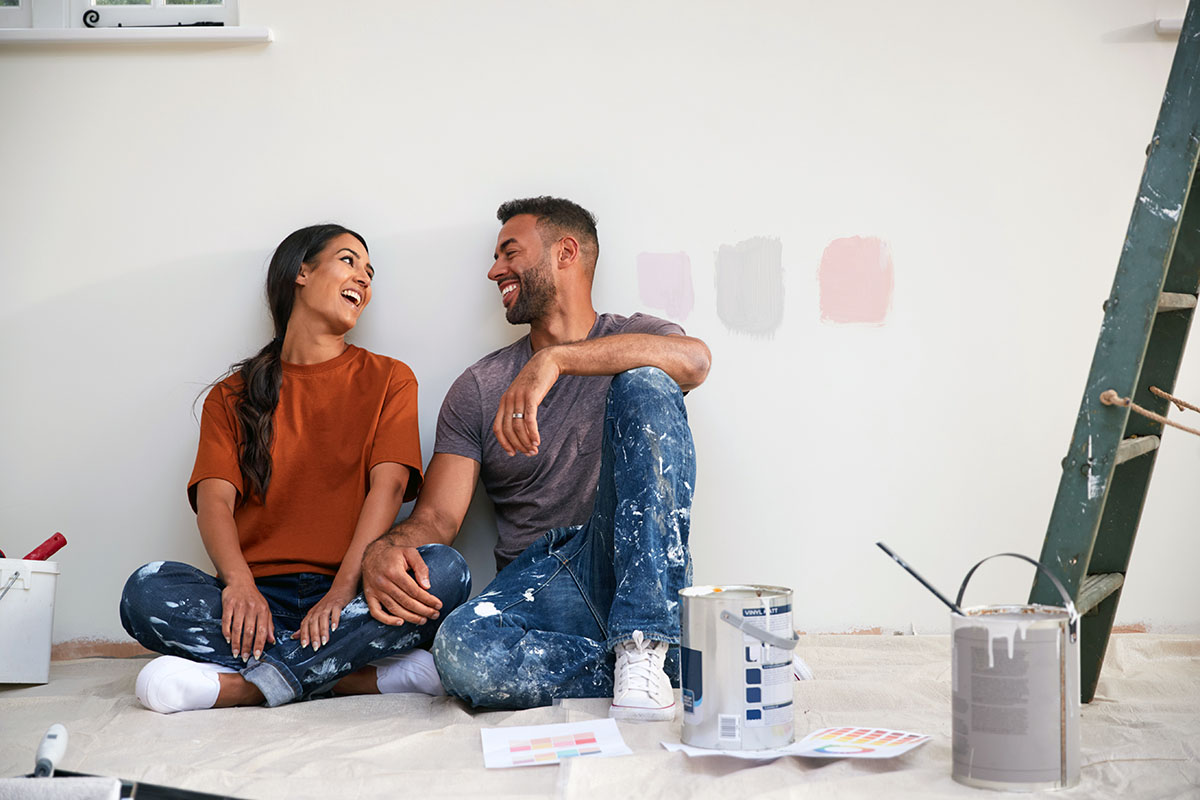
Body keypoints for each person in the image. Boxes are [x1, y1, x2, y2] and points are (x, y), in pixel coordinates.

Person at [361, 197, 710, 720]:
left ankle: (643, 642)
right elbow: (438, 517)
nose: (494, 269)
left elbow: (695, 361)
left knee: (647, 381)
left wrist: (556, 360)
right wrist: (381, 550)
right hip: (541, 583)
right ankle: (669, 665)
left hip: (625, 561)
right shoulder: (478, 388)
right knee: (461, 654)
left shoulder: (638, 336)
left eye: (510, 252)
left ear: (566, 252)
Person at [119, 224, 471, 713]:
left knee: (446, 572)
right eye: (349, 261)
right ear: (301, 272)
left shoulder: (391, 378)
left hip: (353, 596)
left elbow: (388, 489)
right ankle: (350, 675)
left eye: (370, 272)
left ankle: (245, 684)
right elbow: (213, 500)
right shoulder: (232, 395)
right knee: (146, 589)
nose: (364, 280)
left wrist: (341, 592)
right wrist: (239, 585)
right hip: (258, 599)